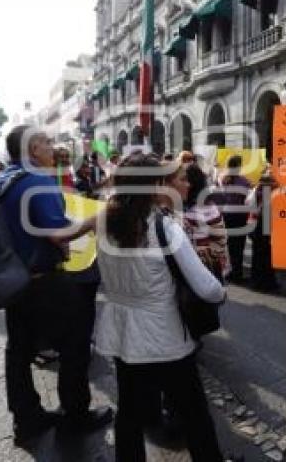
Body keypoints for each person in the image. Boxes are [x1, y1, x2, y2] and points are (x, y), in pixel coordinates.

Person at [91, 154, 231, 462]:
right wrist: (221, 293)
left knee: (129, 412)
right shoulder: (163, 227)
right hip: (165, 335)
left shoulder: (103, 222)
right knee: (194, 411)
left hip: (124, 332)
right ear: (154, 186)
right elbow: (206, 286)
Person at [0, 125, 112, 445]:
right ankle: (75, 416)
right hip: (44, 281)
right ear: (33, 150)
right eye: (47, 142)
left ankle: (26, 418)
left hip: (12, 280)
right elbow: (58, 235)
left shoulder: (2, 179)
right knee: (75, 346)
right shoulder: (37, 182)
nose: (53, 147)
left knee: (17, 351)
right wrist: (94, 220)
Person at [181, 163, 231, 280]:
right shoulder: (199, 205)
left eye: (184, 179)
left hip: (203, 271)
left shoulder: (204, 208)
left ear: (192, 183)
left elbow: (220, 240)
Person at [212, 155, 252, 283]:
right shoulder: (243, 181)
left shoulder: (221, 178)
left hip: (225, 214)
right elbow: (248, 199)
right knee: (238, 246)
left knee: (227, 245)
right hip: (239, 215)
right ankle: (237, 274)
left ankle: (228, 271)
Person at [246, 167, 279, 293]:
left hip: (258, 224)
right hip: (267, 225)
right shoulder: (274, 190)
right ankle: (267, 282)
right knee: (267, 255)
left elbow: (248, 203)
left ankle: (257, 281)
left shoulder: (258, 189)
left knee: (258, 255)